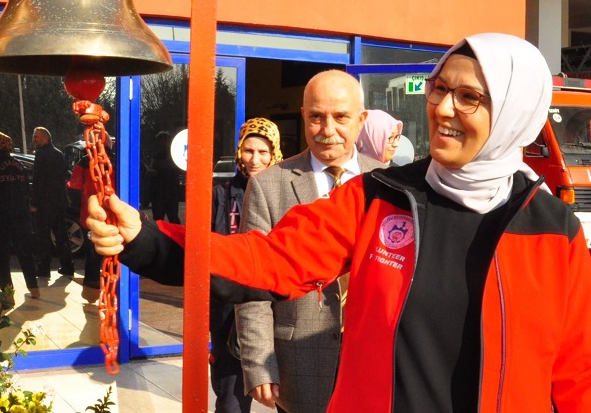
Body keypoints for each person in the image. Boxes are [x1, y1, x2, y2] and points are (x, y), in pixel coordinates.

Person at [88, 33, 591, 412]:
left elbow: (576, 374)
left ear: (513, 114)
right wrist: (148, 240)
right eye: (438, 89)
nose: (442, 108)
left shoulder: (553, 229)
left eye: (469, 97)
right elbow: (271, 260)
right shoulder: (383, 196)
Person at [234, 70, 385, 413]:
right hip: (298, 364)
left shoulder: (388, 183)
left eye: (341, 117)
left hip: (374, 364)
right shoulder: (270, 186)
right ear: (304, 116)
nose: (327, 130)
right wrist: (259, 363)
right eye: (316, 116)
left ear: (361, 120)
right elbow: (252, 282)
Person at [210, 117, 283, 413]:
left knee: (287, 394)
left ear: (275, 153)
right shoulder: (221, 193)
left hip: (276, 304)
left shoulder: (287, 193)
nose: (255, 160)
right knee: (230, 398)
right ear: (239, 151)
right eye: (249, 151)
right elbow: (209, 248)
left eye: (263, 152)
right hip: (229, 307)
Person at [0, 132, 39, 301]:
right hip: (21, 215)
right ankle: (34, 288)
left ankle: (7, 294)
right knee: (25, 252)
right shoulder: (20, 165)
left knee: (1, 256)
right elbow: (27, 189)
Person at [67, 136, 115, 289]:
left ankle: (91, 282)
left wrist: (82, 204)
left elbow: (73, 187)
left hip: (91, 214)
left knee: (92, 251)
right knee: (113, 251)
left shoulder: (84, 162)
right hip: (113, 213)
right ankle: (112, 281)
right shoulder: (117, 161)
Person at [30, 127, 75, 279]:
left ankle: (43, 268)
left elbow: (38, 180)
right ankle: (68, 266)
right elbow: (64, 175)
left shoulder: (41, 155)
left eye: (36, 137)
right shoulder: (58, 154)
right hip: (59, 201)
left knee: (42, 236)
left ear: (45, 138)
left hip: (44, 202)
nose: (34, 139)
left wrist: (34, 202)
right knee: (61, 235)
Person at [147, 131, 181, 224]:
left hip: (167, 192)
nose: (159, 143)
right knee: (161, 218)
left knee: (171, 217)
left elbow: (171, 171)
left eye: (161, 141)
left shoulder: (173, 156)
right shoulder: (157, 155)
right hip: (160, 193)